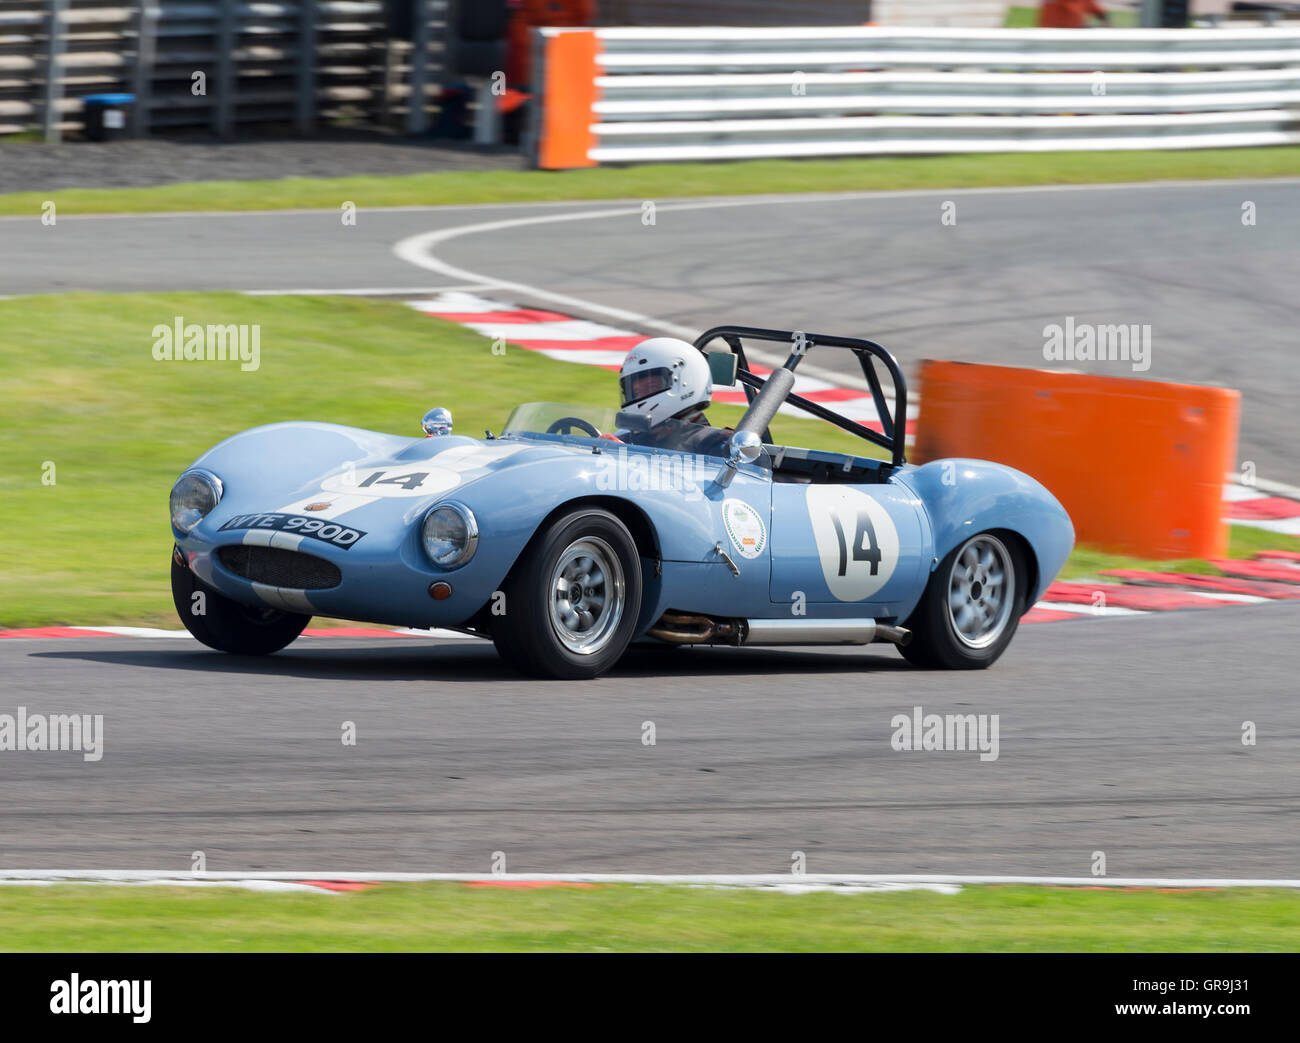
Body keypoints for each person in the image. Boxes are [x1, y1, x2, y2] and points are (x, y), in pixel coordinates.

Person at [614, 337, 731, 455]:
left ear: (685, 381)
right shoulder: (624, 439)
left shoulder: (718, 444)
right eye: (637, 392)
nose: (640, 397)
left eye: (651, 387)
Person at [1038, 0, 1110, 27]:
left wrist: (1104, 18)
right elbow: (1072, 16)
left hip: (1071, 31)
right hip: (1053, 32)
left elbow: (1095, 9)